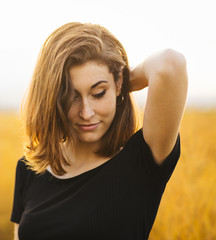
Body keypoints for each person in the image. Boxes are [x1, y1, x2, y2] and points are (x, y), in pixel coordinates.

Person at [10, 22, 188, 240]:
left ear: (119, 83)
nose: (86, 112)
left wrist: (122, 79)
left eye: (99, 93)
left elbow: (170, 64)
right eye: (71, 96)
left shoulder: (141, 163)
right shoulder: (30, 167)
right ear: (53, 97)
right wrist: (108, 86)